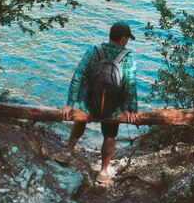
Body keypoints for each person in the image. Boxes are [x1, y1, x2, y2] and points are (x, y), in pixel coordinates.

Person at [52, 21, 139, 184]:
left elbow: (78, 76)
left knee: (80, 120)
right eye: (127, 38)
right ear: (122, 40)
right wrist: (130, 109)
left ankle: (68, 152)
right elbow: (130, 87)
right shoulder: (128, 57)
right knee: (110, 135)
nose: (127, 41)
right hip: (112, 109)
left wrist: (70, 103)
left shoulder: (94, 51)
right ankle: (103, 172)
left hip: (88, 105)